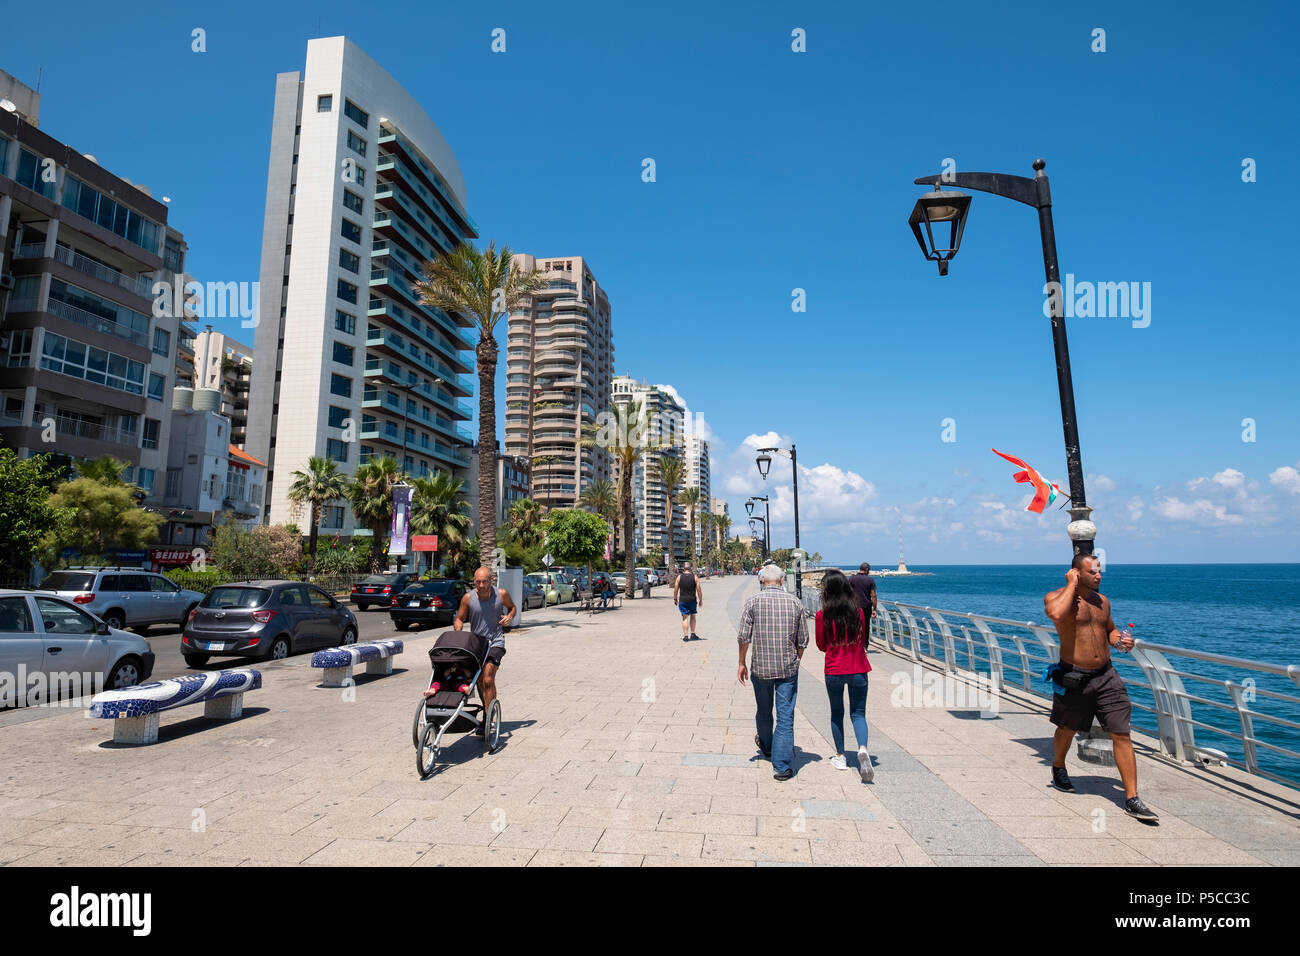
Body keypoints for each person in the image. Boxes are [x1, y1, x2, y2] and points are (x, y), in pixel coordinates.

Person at [1043, 553, 1158, 823]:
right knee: (1067, 729)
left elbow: (1110, 629)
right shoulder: (1057, 597)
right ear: (1076, 572)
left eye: (1099, 571)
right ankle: (1058, 767)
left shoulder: (1102, 601)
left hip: (1106, 676)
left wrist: (1120, 641)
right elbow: (1056, 614)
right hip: (1075, 677)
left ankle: (1132, 798)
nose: (1099, 576)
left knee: (1121, 733)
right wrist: (1071, 585)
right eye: (1093, 572)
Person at [737, 563, 810, 780]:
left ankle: (767, 746)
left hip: (760, 667)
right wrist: (796, 660)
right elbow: (803, 640)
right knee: (785, 715)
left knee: (764, 709)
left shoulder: (753, 602)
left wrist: (741, 662)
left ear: (762, 582)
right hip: (787, 668)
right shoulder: (795, 602)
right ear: (781, 581)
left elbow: (743, 637)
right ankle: (782, 766)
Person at [815, 569, 873, 782]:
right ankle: (863, 749)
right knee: (858, 714)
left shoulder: (822, 616)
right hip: (858, 668)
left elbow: (821, 645)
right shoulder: (857, 612)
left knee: (836, 713)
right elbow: (862, 637)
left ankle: (840, 756)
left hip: (834, 670)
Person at [453, 566, 516, 730]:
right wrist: (457, 631)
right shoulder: (468, 598)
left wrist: (509, 616)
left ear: (491, 580)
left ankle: (488, 719)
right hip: (477, 644)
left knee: (488, 677)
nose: (481, 585)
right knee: (480, 681)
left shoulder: (501, 594)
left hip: (496, 642)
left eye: (484, 581)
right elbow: (460, 618)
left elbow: (512, 607)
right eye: (478, 582)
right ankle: (488, 710)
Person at [674, 562, 702, 641]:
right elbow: (699, 590)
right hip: (692, 600)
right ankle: (692, 634)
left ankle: (686, 636)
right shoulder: (695, 577)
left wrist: (675, 598)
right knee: (693, 616)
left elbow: (676, 589)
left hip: (683, 600)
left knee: (685, 617)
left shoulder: (679, 577)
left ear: (683, 569)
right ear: (690, 569)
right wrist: (700, 600)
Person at [849, 562, 877, 630]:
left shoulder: (852, 578)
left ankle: (854, 639)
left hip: (854, 606)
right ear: (867, 569)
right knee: (866, 625)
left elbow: (848, 592)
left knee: (854, 625)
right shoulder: (870, 580)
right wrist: (874, 609)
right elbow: (873, 595)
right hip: (866, 606)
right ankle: (865, 640)